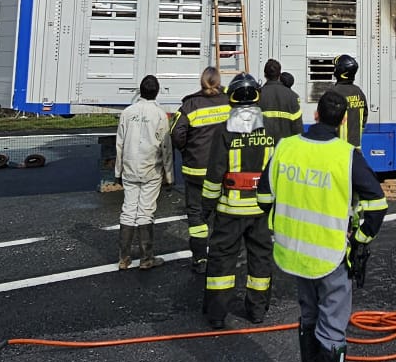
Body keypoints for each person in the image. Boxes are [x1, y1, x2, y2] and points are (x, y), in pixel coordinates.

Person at [264, 88, 388, 362]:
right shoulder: (347, 156)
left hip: (294, 253)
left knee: (308, 317)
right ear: (343, 120)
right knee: (332, 330)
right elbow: (377, 205)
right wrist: (359, 238)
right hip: (332, 256)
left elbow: (264, 197)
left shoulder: (285, 148)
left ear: (315, 114)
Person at [202, 73, 279, 328]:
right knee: (260, 261)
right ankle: (257, 311)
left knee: (222, 262)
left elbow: (214, 174)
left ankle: (216, 315)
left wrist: (206, 208)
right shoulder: (270, 128)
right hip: (261, 209)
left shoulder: (225, 130)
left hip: (230, 210)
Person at [170, 67, 231, 272]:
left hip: (196, 169)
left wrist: (188, 150)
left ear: (202, 81)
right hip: (223, 169)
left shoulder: (190, 105)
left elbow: (176, 133)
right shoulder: (229, 102)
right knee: (222, 212)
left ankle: (200, 259)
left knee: (196, 216)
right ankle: (221, 255)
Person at [115, 75, 172, 270]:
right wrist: (169, 175)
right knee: (146, 211)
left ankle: (124, 257)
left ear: (140, 91)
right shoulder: (160, 115)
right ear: (156, 91)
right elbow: (165, 147)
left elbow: (120, 144)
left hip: (129, 167)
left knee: (128, 209)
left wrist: (117, 171)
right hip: (151, 168)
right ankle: (146, 258)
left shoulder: (127, 113)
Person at [327, 55, 368, 149]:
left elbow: (325, 121)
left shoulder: (333, 93)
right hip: (356, 147)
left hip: (337, 148)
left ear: (340, 72)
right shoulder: (359, 92)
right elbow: (364, 117)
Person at [259, 58, 303, 142]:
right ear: (279, 75)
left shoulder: (258, 95)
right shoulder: (293, 96)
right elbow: (298, 127)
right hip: (286, 149)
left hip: (264, 149)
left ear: (265, 74)